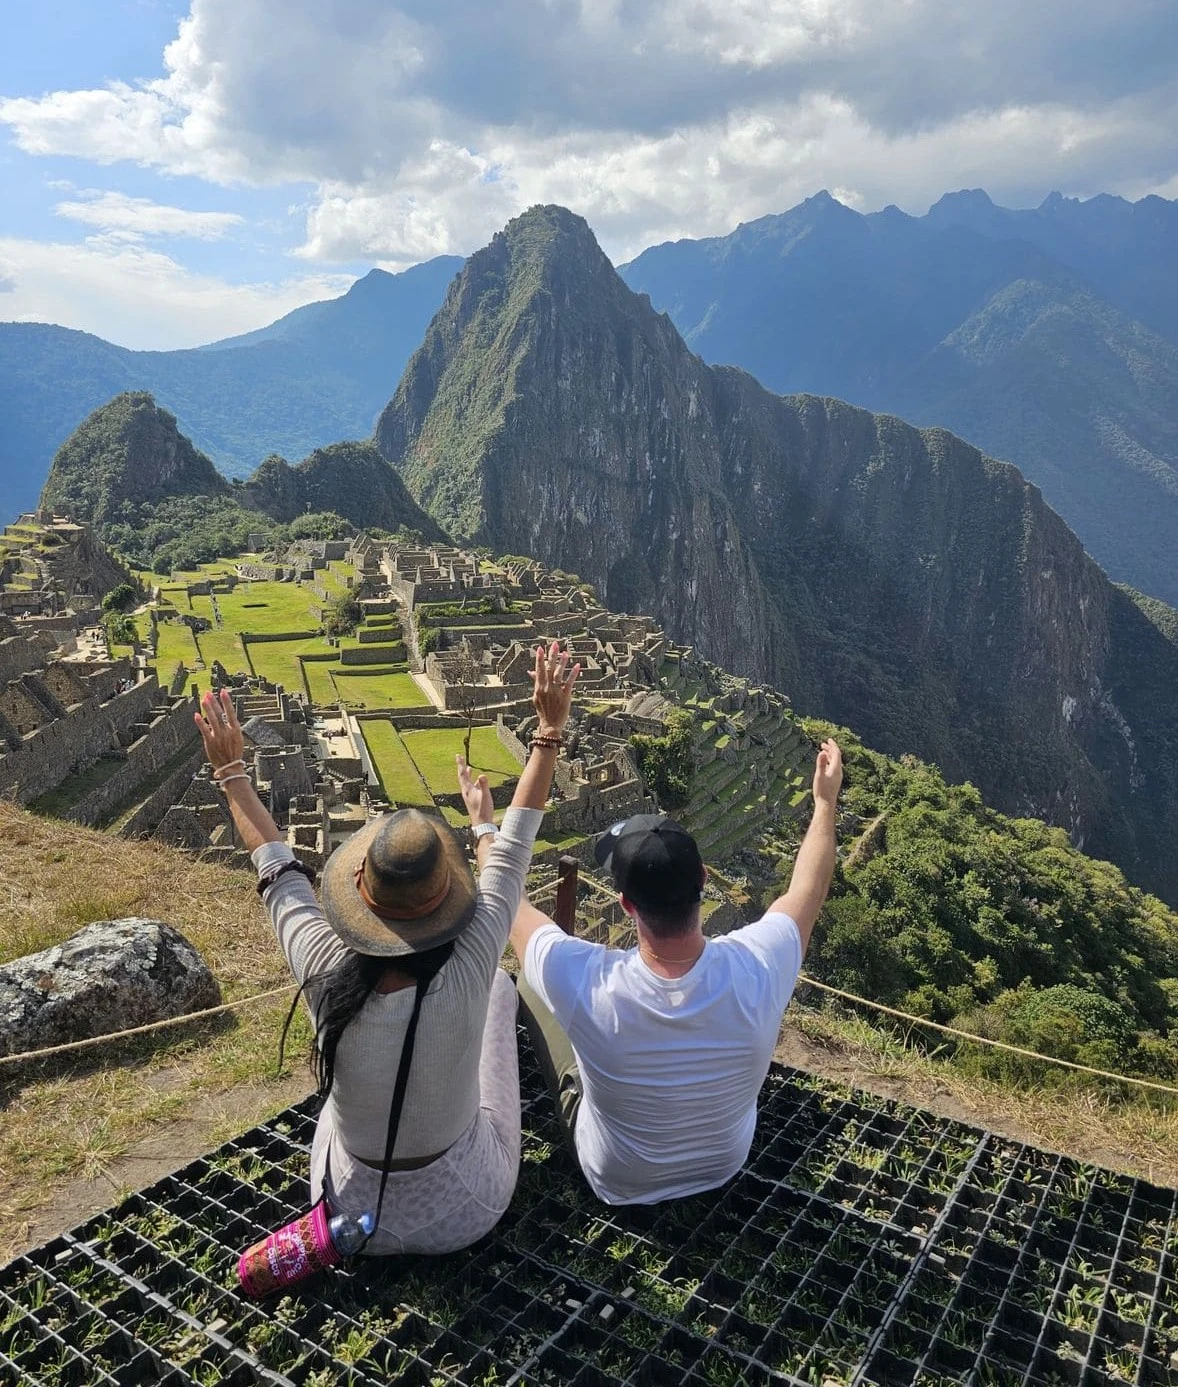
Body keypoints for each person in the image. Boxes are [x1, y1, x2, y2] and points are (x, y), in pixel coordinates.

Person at [193, 641, 579, 1254]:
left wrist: (231, 773)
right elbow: (515, 844)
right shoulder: (475, 954)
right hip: (465, 1209)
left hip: (345, 1204)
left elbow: (277, 873)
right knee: (500, 992)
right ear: (448, 893)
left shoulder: (322, 966)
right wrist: (547, 732)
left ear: (359, 892)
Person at [508, 738, 843, 1205]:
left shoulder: (585, 981)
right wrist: (825, 802)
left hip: (616, 1180)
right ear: (703, 878)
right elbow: (810, 885)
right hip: (723, 1165)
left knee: (528, 979)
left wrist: (486, 828)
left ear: (626, 904)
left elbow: (508, 899)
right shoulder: (761, 962)